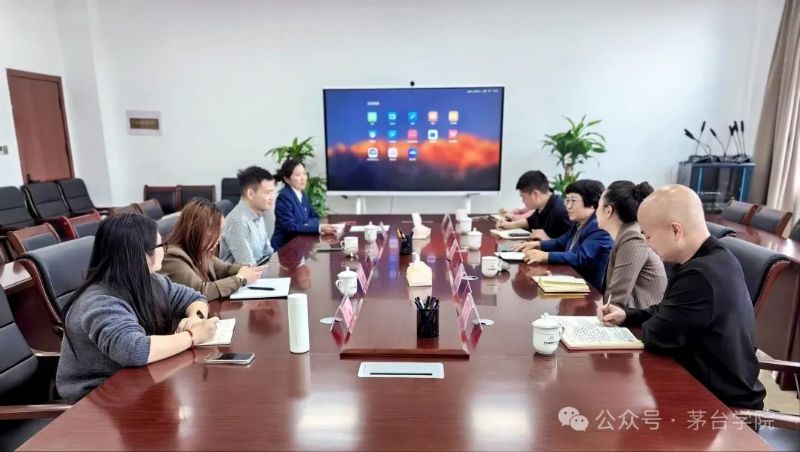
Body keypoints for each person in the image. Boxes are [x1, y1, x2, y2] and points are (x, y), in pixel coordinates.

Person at [597, 185, 765, 410]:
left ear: (676, 231)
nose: (646, 243)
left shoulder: (701, 275)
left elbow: (657, 335)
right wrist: (627, 315)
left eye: (647, 235)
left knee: (615, 406)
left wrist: (649, 322)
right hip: (700, 386)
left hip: (723, 409)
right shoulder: (712, 257)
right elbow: (666, 310)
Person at [56, 214, 219, 401]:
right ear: (143, 256)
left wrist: (195, 319)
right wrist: (193, 336)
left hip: (137, 384)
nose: (164, 250)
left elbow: (195, 298)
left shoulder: (150, 281)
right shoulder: (99, 301)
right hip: (95, 400)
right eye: (161, 245)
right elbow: (134, 350)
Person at [514, 179, 612, 290]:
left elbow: (580, 257)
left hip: (588, 290)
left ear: (592, 203)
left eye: (573, 201)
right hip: (571, 280)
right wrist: (537, 244)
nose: (568, 206)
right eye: (567, 201)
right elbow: (561, 242)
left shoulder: (599, 227)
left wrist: (546, 256)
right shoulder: (580, 222)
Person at [159, 198, 264, 301]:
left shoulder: (200, 250)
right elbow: (199, 291)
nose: (219, 239)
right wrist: (240, 279)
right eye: (215, 232)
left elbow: (225, 269)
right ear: (196, 230)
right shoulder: (172, 256)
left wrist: (245, 270)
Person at [596, 181, 667, 308]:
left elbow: (616, 299)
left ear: (608, 211)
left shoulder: (632, 238)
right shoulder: (627, 233)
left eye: (598, 205)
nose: (595, 211)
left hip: (640, 319)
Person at [271, 158, 338, 250]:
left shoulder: (302, 194)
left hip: (300, 245)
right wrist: (317, 228)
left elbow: (314, 217)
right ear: (287, 179)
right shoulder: (284, 197)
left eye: (304, 174)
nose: (303, 178)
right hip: (285, 248)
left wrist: (304, 226)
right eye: (298, 175)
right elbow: (290, 227)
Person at [220, 165, 276, 265]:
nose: (272, 197)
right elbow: (248, 266)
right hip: (242, 274)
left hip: (259, 271)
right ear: (250, 194)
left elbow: (268, 253)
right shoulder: (238, 221)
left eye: (272, 192)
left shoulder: (258, 214)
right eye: (268, 192)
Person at [496, 170, 571, 241]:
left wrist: (547, 240)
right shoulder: (542, 207)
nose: (522, 201)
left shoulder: (562, 212)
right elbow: (530, 222)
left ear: (535, 194)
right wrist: (507, 225)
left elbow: (571, 245)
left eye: (523, 197)